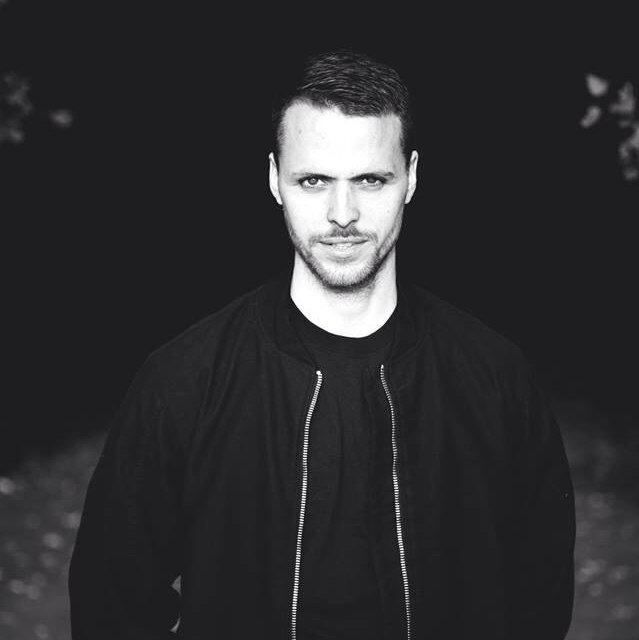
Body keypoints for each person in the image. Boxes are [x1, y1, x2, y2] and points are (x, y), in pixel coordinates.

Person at [68, 50, 575, 639]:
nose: (343, 214)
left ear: (411, 178)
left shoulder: (495, 377)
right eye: (313, 181)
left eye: (370, 179)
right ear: (274, 180)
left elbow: (538, 598)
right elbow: (113, 602)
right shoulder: (183, 381)